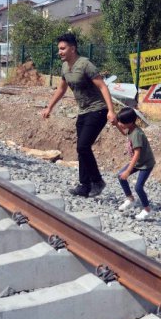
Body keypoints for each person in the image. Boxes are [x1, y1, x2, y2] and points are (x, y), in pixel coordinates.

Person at [41, 33, 117, 197]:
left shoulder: (85, 65)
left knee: (83, 146)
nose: (60, 52)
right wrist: (49, 108)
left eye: (63, 48)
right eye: (59, 49)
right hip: (83, 111)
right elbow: (61, 90)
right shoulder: (64, 67)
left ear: (73, 48)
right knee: (82, 148)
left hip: (98, 109)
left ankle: (97, 181)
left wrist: (111, 111)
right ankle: (85, 185)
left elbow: (103, 87)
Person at [115, 107, 155, 221]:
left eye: (122, 122)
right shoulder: (131, 129)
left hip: (146, 164)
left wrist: (128, 171)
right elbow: (124, 133)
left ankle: (147, 210)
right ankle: (130, 199)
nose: (120, 124)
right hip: (138, 162)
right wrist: (117, 125)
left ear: (130, 122)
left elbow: (137, 153)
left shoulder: (137, 133)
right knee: (120, 176)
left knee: (138, 187)